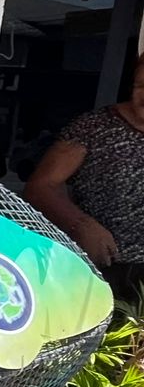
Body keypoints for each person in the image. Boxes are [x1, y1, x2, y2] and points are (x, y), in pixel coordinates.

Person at [25, 54, 144, 300]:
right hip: (104, 268)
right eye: (141, 85)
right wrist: (80, 224)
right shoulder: (94, 127)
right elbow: (40, 187)